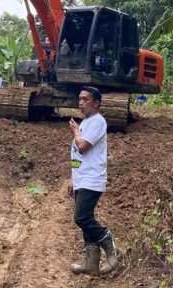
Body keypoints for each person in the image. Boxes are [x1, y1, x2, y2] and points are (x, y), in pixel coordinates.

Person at [67, 86, 122, 276]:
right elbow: (77, 154)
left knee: (81, 218)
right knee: (85, 220)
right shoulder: (85, 122)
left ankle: (113, 249)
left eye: (85, 99)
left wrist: (76, 131)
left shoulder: (98, 121)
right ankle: (91, 264)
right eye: (80, 99)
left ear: (96, 103)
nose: (81, 102)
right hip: (81, 178)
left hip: (92, 178)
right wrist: (72, 177)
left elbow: (82, 146)